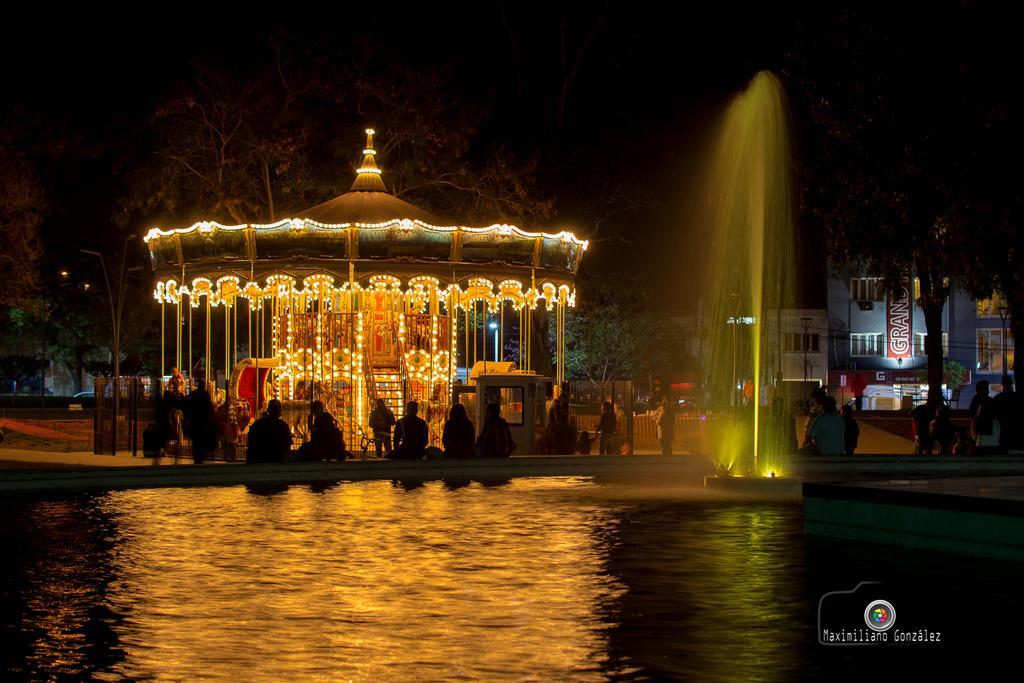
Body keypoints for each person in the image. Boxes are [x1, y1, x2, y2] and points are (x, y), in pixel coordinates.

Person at [246, 399, 292, 463]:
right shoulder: (283, 426)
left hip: (259, 460)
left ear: (268, 410)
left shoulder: (257, 424)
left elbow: (250, 443)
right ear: (279, 411)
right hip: (277, 460)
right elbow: (287, 447)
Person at [185, 377, 217, 463]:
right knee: (203, 441)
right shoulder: (206, 398)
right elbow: (211, 413)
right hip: (204, 423)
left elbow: (188, 408)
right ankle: (202, 456)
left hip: (195, 423)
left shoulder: (193, 396)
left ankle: (197, 457)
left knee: (196, 442)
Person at [992, 375, 1020, 451]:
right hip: (1016, 429)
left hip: (1002, 429)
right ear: (1011, 384)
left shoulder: (997, 399)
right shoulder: (1017, 398)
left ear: (1002, 385)